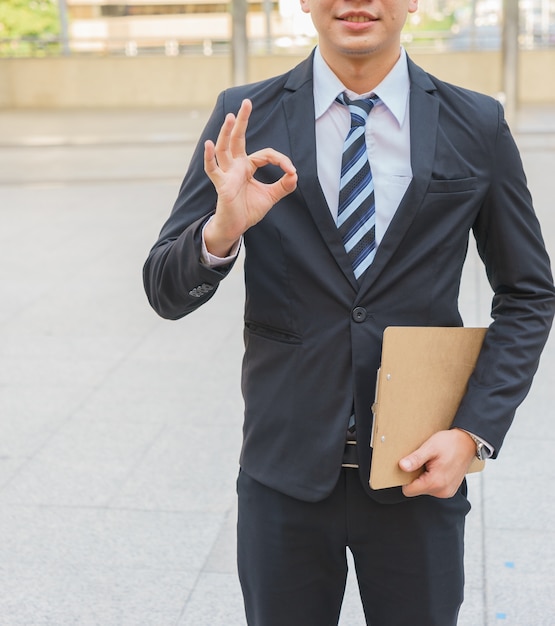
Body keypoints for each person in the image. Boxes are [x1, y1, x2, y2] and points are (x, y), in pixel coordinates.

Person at [143, 0, 555, 622]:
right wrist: (220, 232)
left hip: (417, 471)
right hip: (282, 475)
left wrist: (474, 433)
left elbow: (529, 293)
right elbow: (164, 290)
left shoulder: (475, 123)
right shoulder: (246, 116)